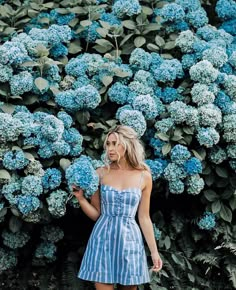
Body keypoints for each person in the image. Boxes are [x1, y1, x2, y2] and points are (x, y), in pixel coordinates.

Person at [72, 125, 163, 290]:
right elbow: (96, 214)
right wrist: (81, 199)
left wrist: (154, 252)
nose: (110, 149)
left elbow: (144, 217)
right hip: (102, 239)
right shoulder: (100, 173)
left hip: (130, 240)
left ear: (128, 145)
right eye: (108, 144)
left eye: (115, 143)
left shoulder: (144, 176)